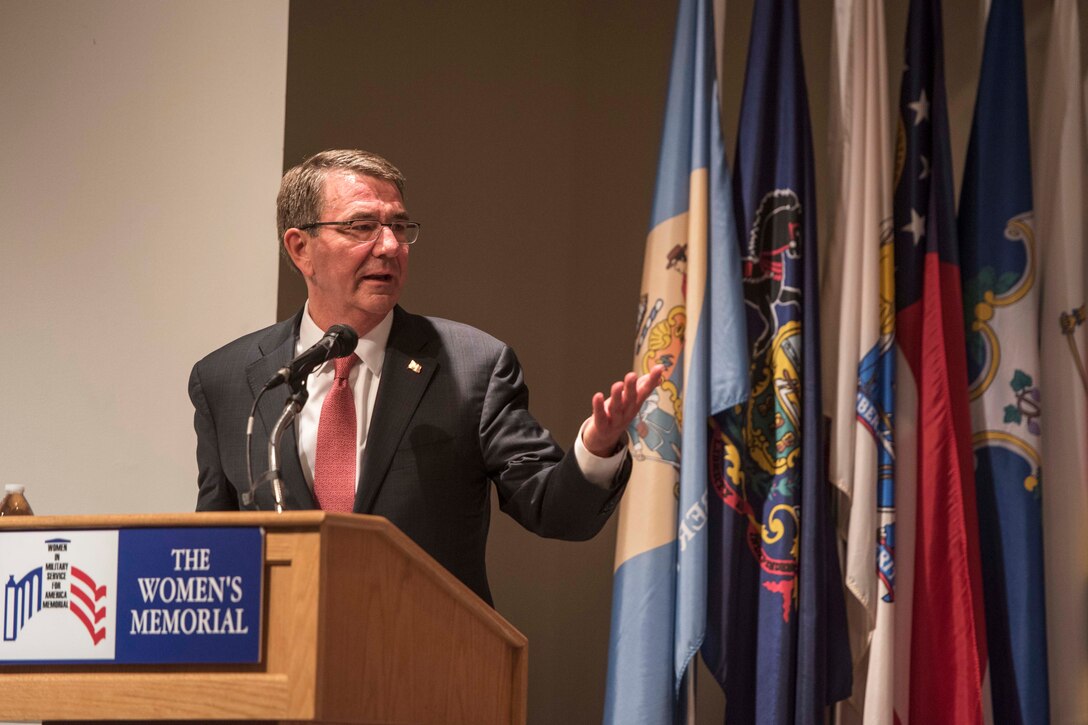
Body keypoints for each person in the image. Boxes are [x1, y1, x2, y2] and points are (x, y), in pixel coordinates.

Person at [189, 149, 662, 604]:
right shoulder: (227, 380)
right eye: (362, 227)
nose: (390, 246)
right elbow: (211, 551)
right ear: (300, 249)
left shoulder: (473, 366)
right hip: (283, 666)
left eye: (399, 226)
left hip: (427, 664)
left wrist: (597, 448)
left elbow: (554, 511)